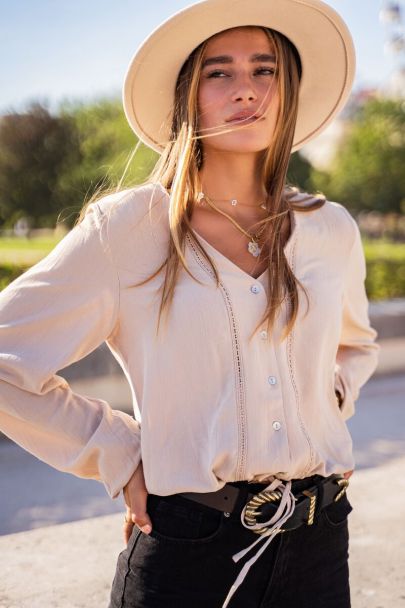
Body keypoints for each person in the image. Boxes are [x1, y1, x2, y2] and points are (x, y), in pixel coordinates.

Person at [0, 0, 380, 606]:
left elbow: (355, 346)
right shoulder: (130, 229)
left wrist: (322, 410)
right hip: (186, 553)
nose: (246, 91)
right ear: (187, 96)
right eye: (219, 72)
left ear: (287, 91)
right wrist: (120, 455)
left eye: (265, 70)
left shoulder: (330, 228)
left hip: (320, 546)